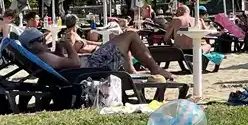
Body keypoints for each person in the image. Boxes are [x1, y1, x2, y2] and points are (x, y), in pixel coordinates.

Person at [19, 26, 175, 79]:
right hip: (94, 67)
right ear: (31, 45)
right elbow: (75, 63)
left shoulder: (39, 56)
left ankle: (131, 71)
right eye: (40, 40)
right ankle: (155, 68)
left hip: (91, 64)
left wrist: (60, 49)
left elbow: (63, 63)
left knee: (124, 38)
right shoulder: (44, 57)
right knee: (130, 35)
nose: (44, 41)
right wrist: (68, 45)